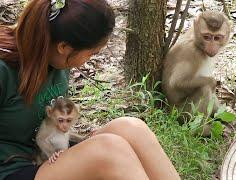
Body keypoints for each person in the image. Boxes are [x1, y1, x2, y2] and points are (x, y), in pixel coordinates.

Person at [0, 0, 181, 179]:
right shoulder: (4, 69)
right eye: (92, 53)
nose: (90, 58)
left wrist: (80, 141)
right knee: (109, 153)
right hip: (12, 169)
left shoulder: (57, 58)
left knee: (132, 128)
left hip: (47, 155)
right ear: (64, 47)